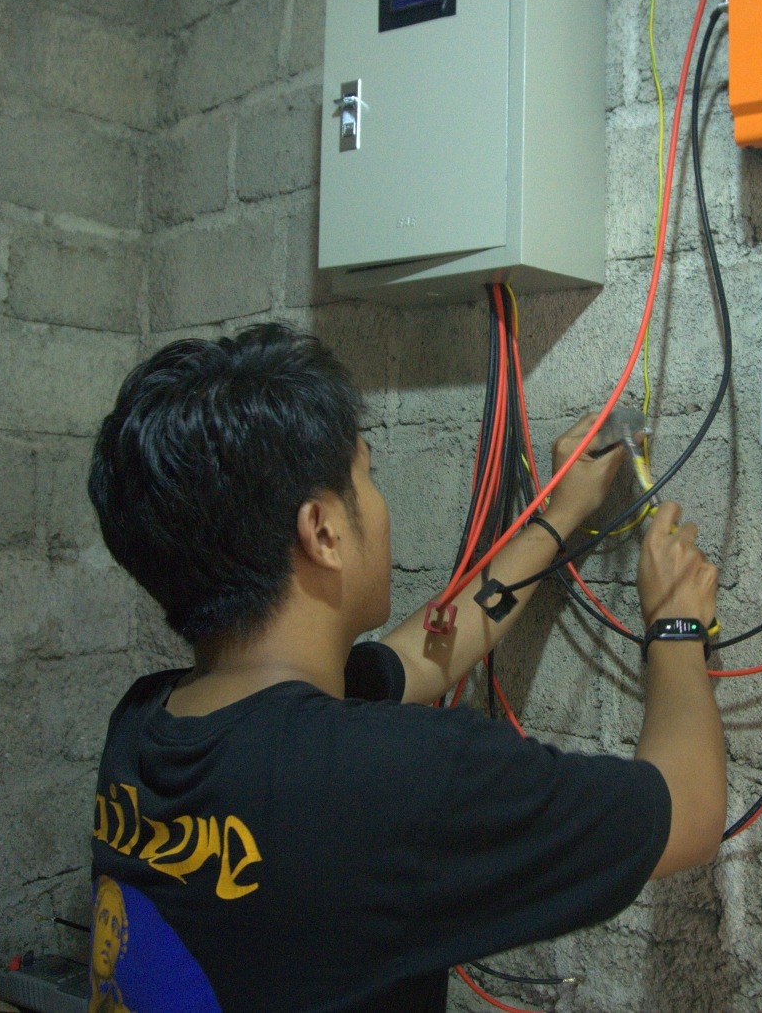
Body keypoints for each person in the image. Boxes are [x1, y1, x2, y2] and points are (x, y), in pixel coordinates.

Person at [87, 322, 726, 1012]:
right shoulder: (389, 776)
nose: (379, 501)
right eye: (367, 475)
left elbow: (425, 651)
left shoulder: (143, 725)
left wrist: (558, 514)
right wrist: (675, 622)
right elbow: (689, 813)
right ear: (322, 531)